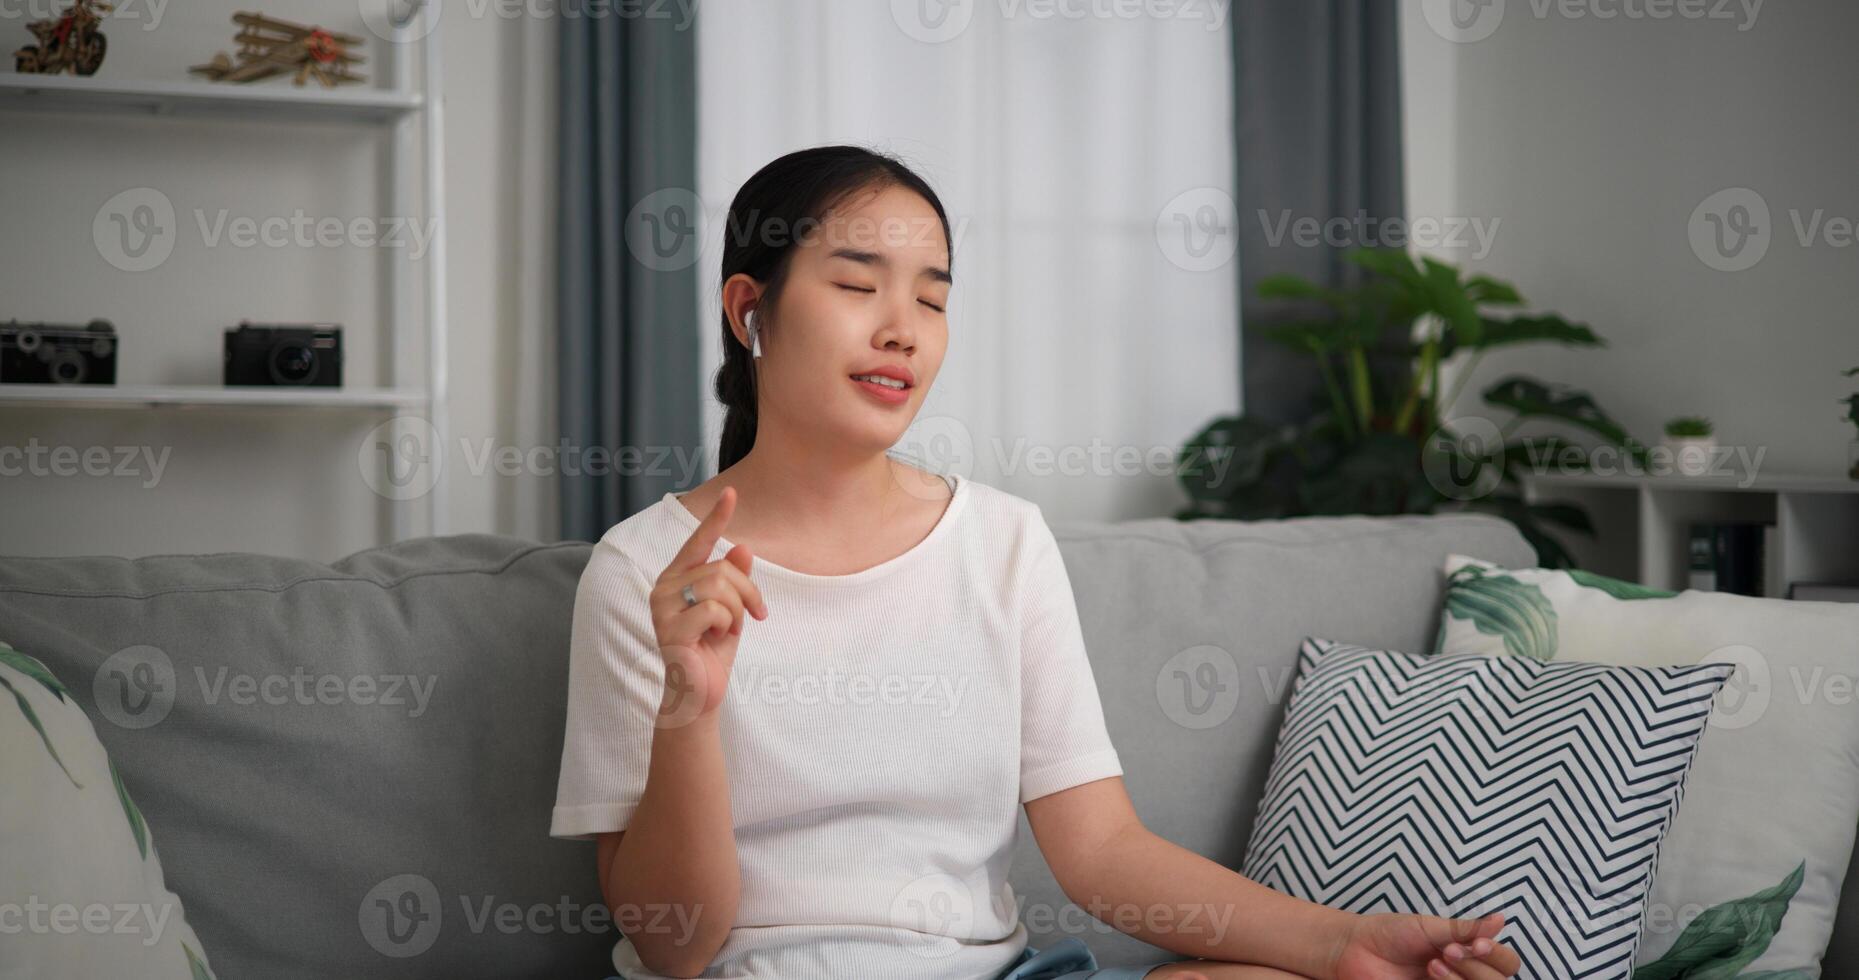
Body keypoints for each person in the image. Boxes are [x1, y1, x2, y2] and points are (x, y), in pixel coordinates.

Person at [549, 144, 1524, 980]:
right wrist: (689, 702)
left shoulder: (1003, 541)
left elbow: (1101, 850)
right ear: (747, 309)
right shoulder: (644, 570)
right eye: (855, 286)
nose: (901, 327)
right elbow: (675, 944)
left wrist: (1343, 943)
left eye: (930, 299)